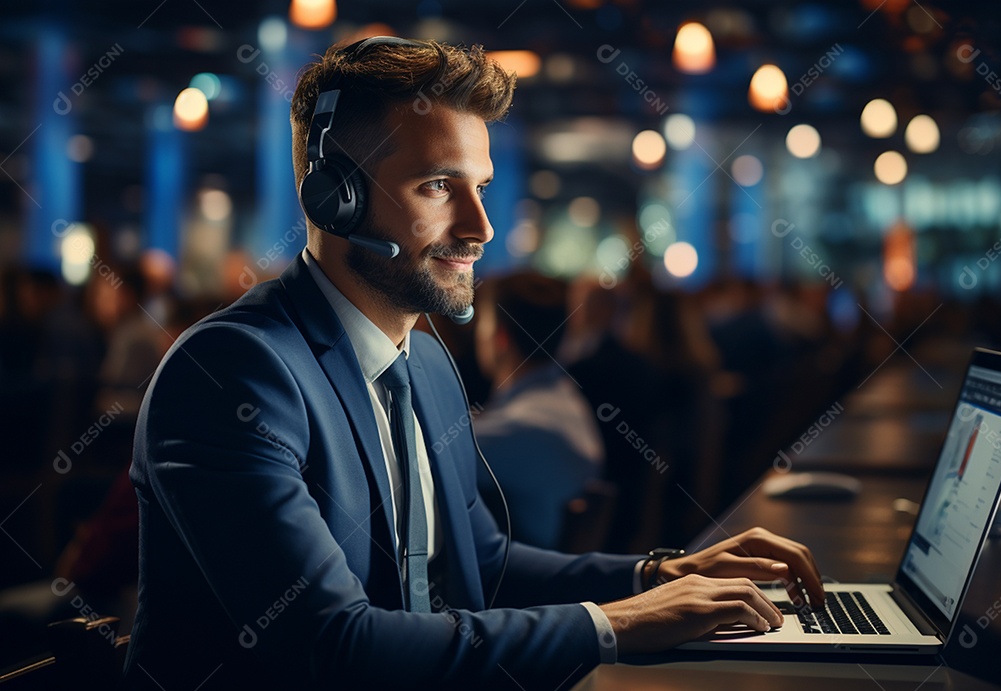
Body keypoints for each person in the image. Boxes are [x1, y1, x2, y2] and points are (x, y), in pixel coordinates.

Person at [123, 37, 824, 690]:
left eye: (480, 188)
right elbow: (330, 644)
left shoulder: (424, 363)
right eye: (438, 186)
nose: (480, 227)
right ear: (334, 197)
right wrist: (618, 625)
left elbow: (481, 564)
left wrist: (660, 573)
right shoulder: (232, 371)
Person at [472, 271, 604, 549]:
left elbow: (424, 458)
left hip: (525, 586)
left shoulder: (525, 427)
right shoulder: (561, 400)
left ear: (500, 337)